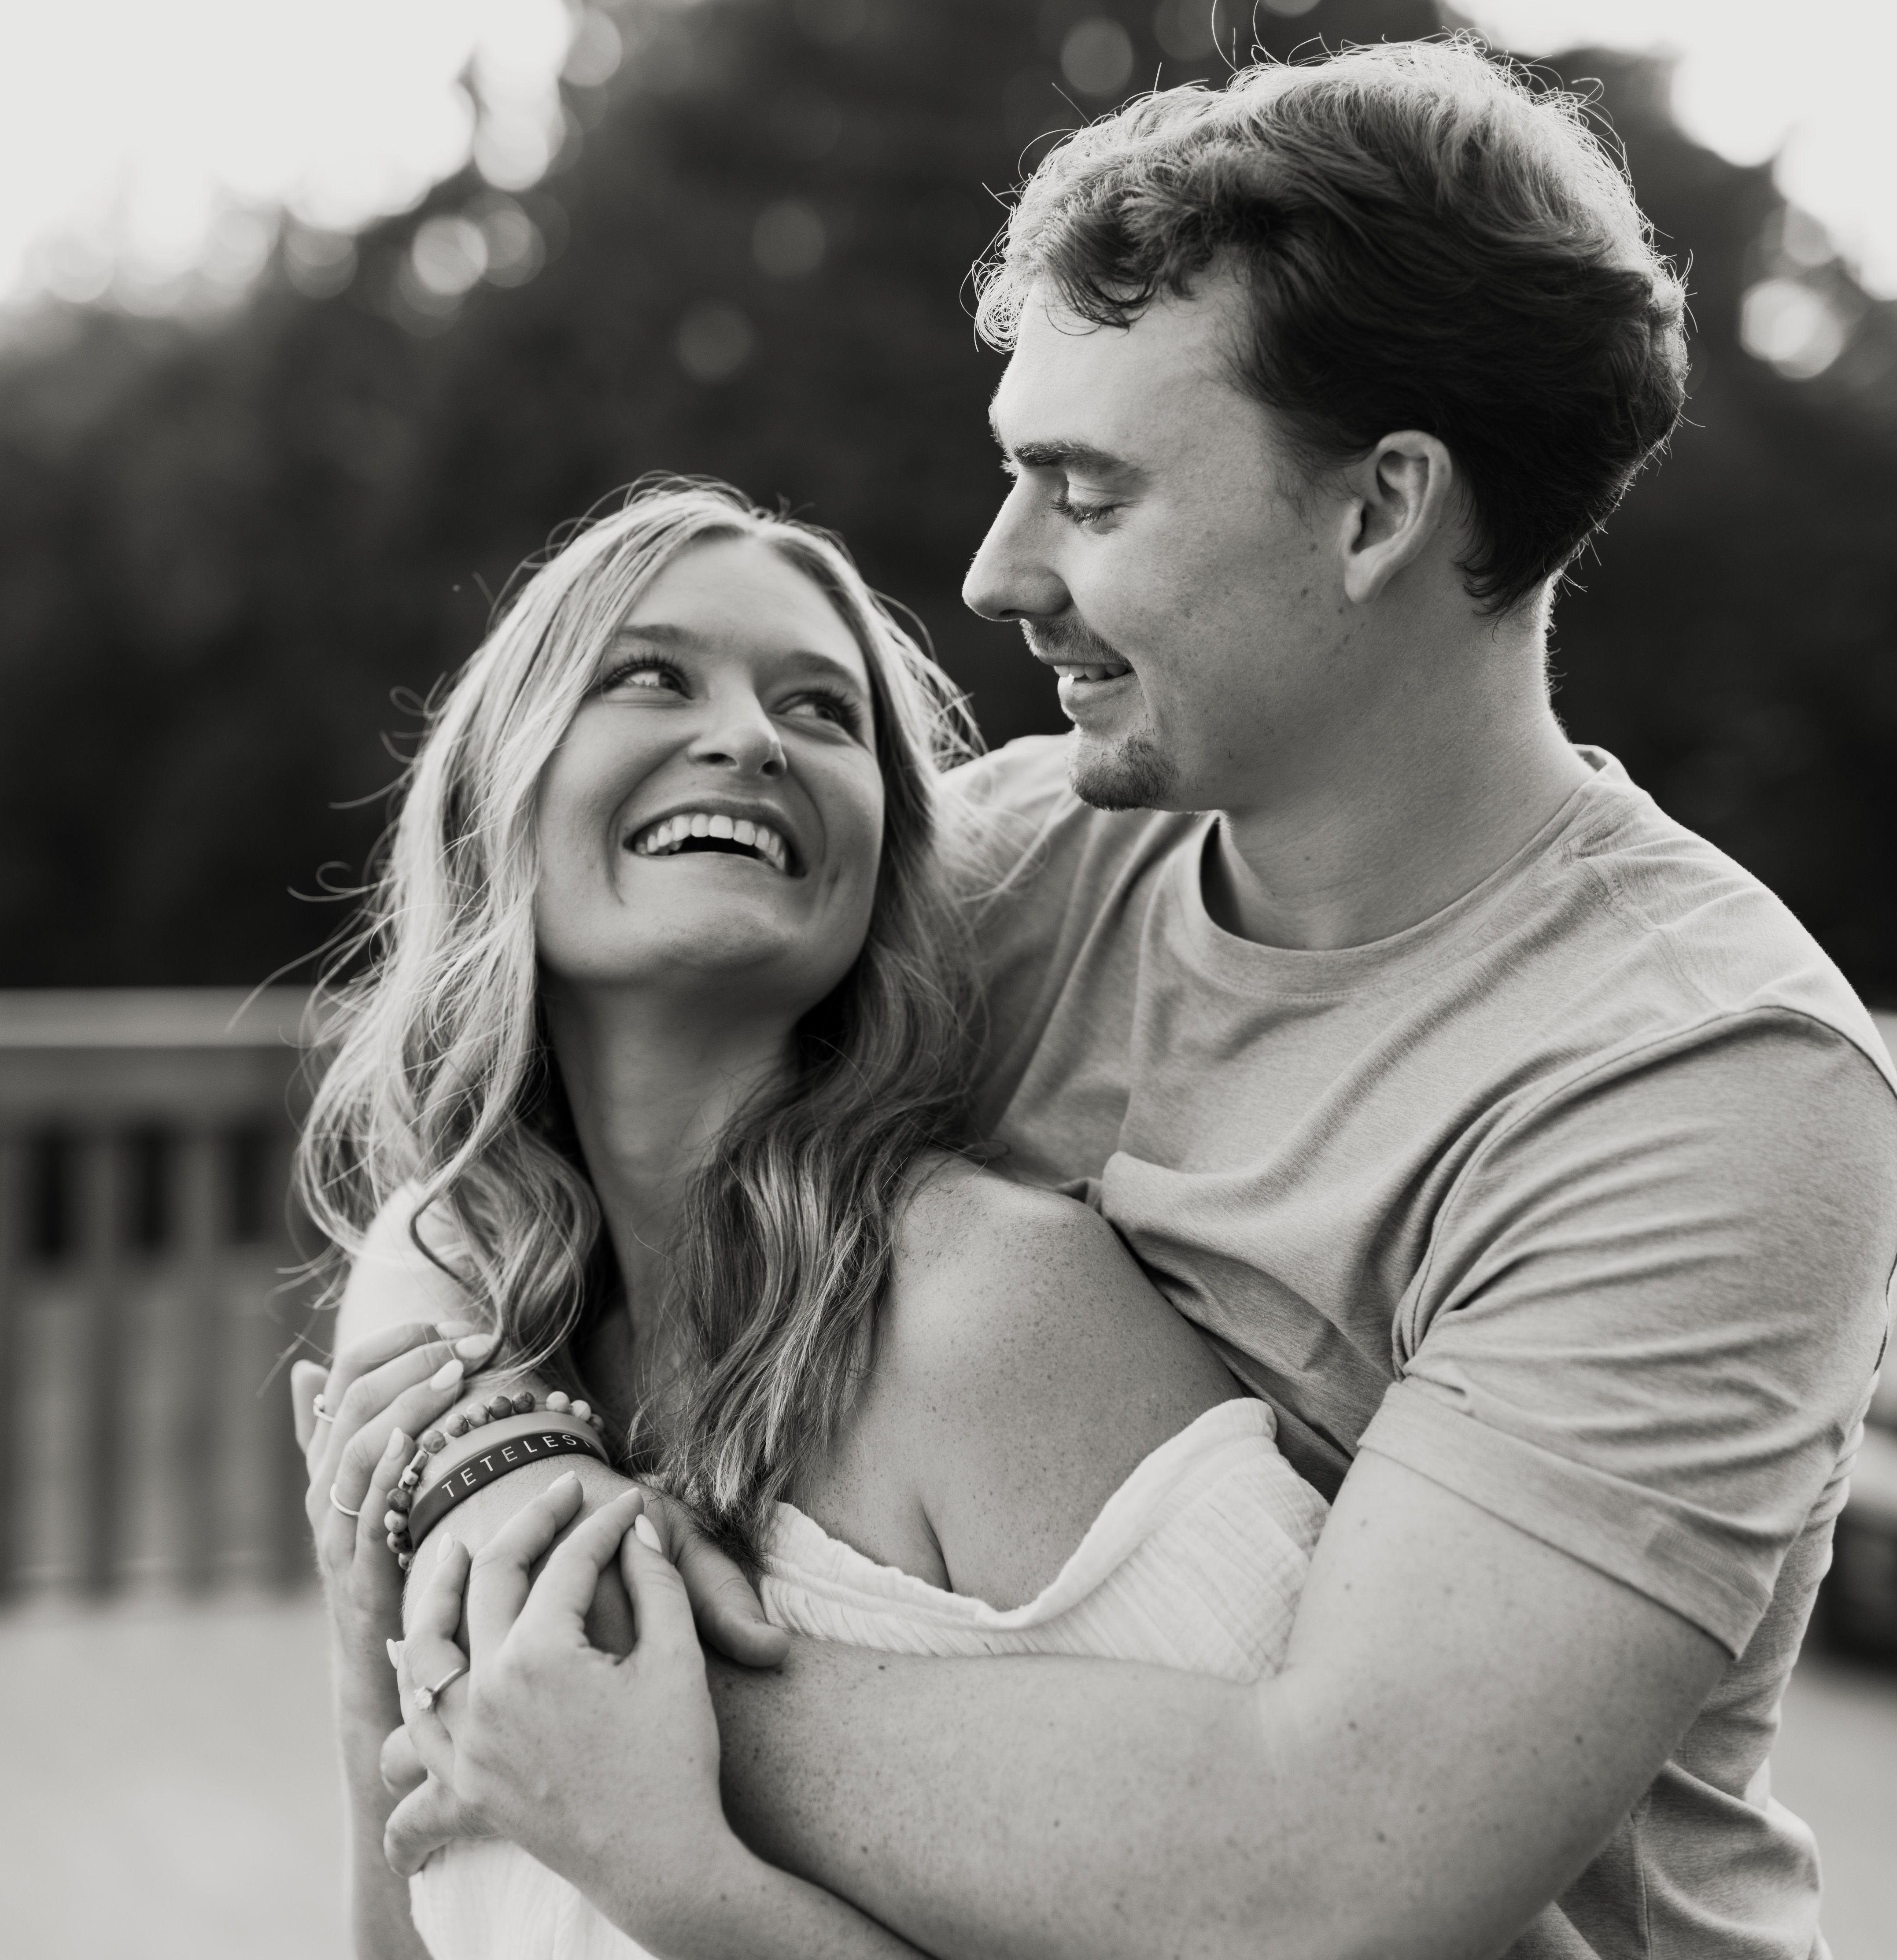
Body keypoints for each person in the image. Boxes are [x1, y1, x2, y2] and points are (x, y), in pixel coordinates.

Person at [371, 39, 1897, 1960]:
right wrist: (487, 1442)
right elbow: (518, 1110)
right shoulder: (1010, 873)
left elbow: (1329, 1876)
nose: (994, 573)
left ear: (1375, 514)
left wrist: (603, 1677)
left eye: (1083, 495)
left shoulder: (1695, 1082)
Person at [290, 480, 1327, 1958]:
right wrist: (368, 1662)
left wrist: (680, 1882)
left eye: (822, 710)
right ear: (492, 803)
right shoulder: (473, 1319)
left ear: (881, 867)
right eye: (652, 677)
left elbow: (1333, 1904)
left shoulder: (988, 1307)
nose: (753, 738)